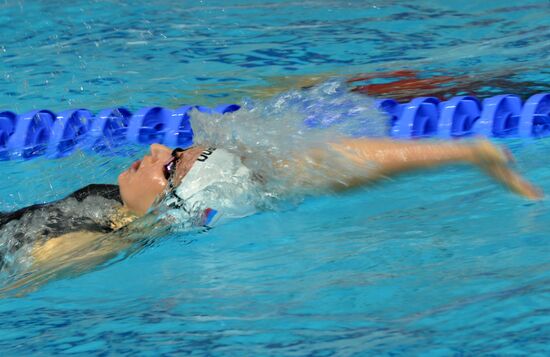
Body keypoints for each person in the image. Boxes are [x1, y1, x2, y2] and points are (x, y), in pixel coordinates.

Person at [0, 136, 543, 294]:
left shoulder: (97, 243)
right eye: (180, 149)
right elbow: (329, 164)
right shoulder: (125, 210)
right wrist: (465, 151)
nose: (161, 149)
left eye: (172, 166)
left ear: (173, 204)